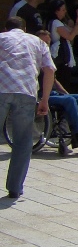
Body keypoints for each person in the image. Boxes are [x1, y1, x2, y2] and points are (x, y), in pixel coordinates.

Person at [0, 17, 54, 200]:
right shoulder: (37, 42)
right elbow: (50, 70)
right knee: (23, 140)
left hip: (1, 89)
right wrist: (44, 99)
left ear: (6, 29)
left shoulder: (1, 38)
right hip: (26, 91)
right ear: (24, 29)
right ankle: (15, 188)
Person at [33, 30, 78, 148]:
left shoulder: (48, 58)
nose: (45, 45)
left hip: (53, 93)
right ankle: (77, 134)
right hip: (41, 95)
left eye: (47, 42)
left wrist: (66, 93)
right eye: (43, 42)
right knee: (70, 100)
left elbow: (54, 81)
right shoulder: (34, 60)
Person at [47, 0, 78, 88]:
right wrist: (77, 23)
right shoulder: (56, 22)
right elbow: (70, 36)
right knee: (63, 81)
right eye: (63, 10)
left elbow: (75, 32)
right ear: (56, 11)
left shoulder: (60, 23)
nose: (65, 12)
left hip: (63, 57)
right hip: (60, 57)